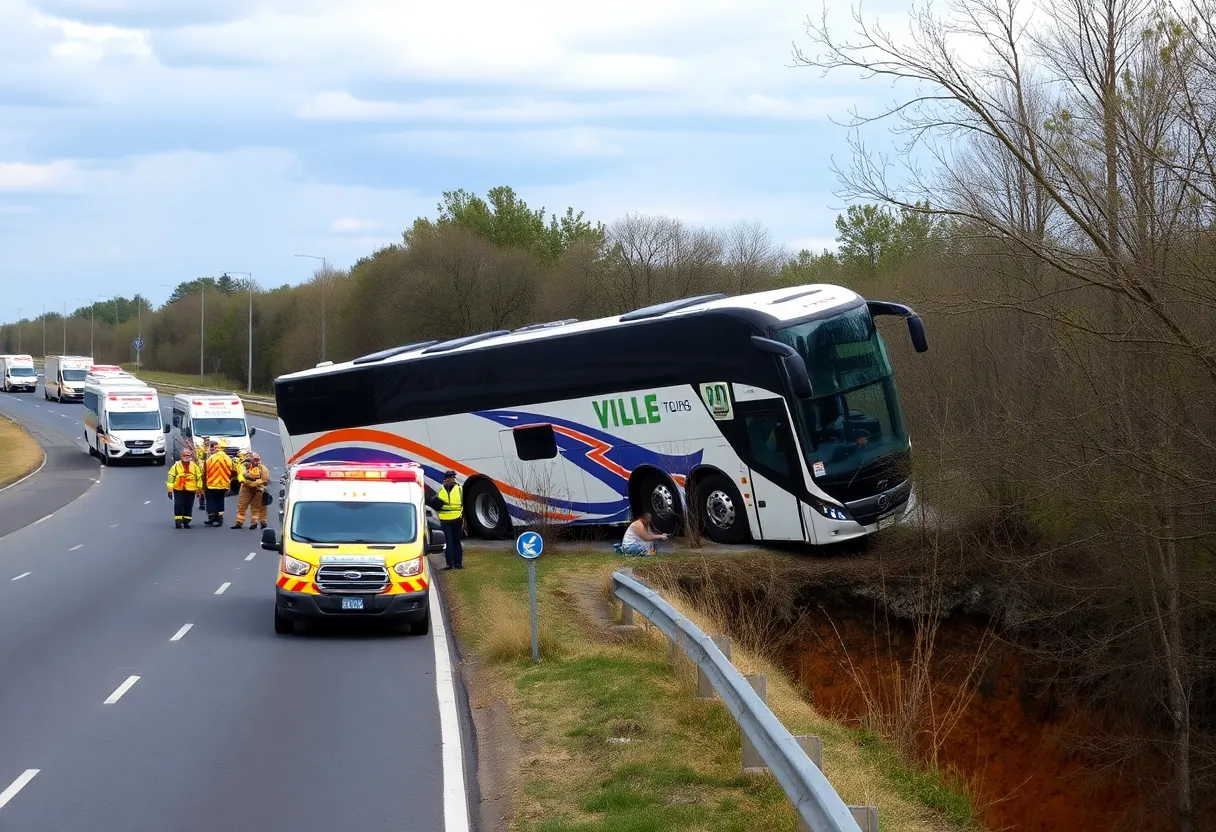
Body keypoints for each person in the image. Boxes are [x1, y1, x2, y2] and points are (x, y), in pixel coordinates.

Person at [429, 470, 464, 571]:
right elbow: (435, 502)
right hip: (445, 519)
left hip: (457, 518)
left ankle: (458, 564)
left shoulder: (459, 489)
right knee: (449, 543)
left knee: (456, 542)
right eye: (450, 477)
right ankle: (450, 564)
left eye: (453, 477)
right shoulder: (441, 489)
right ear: (446, 479)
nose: (452, 479)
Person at [166, 447, 203, 529]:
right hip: (178, 489)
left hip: (191, 489)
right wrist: (170, 489)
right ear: (181, 456)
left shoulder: (195, 466)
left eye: (188, 455)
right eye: (184, 455)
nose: (186, 457)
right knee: (178, 505)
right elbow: (171, 477)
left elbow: (199, 478)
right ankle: (178, 521)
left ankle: (186, 521)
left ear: (190, 457)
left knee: (188, 505)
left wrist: (199, 489)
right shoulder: (176, 466)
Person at [232, 452, 271, 530]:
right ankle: (239, 522)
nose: (256, 462)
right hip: (245, 488)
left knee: (255, 507)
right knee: (242, 506)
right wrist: (248, 478)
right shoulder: (245, 466)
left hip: (258, 490)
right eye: (254, 459)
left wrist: (254, 483)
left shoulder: (263, 469)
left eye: (257, 460)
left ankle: (254, 523)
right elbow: (241, 476)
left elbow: (265, 481)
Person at [201, 439, 235, 527]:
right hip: (223, 483)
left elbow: (205, 472)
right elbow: (233, 470)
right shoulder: (227, 458)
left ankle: (212, 517)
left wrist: (203, 485)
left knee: (211, 500)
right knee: (220, 500)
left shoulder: (210, 459)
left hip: (212, 484)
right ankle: (219, 518)